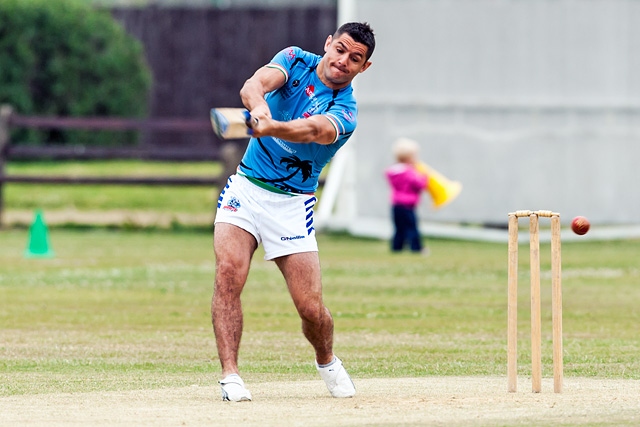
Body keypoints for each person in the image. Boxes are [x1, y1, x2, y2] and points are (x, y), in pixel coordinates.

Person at [211, 22, 375, 402]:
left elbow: (313, 131)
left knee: (311, 309)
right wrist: (260, 107)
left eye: (355, 59)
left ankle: (327, 360)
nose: (343, 62)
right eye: (341, 50)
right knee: (227, 274)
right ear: (328, 44)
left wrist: (273, 127)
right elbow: (253, 84)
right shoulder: (295, 59)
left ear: (363, 68)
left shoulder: (346, 111)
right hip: (246, 190)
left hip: (291, 204)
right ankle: (230, 376)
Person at [384, 137, 429, 254]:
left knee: (398, 228)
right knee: (412, 227)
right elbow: (419, 185)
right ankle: (416, 248)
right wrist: (424, 177)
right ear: (409, 158)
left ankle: (396, 248)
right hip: (408, 205)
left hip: (396, 204)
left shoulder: (393, 171)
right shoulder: (409, 172)